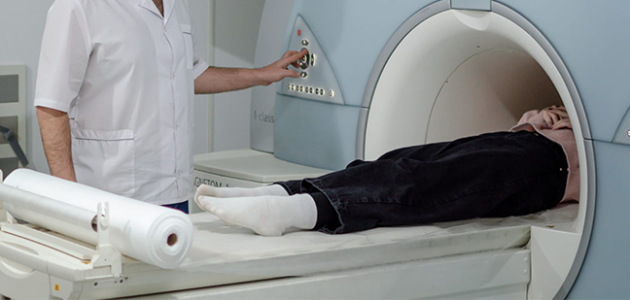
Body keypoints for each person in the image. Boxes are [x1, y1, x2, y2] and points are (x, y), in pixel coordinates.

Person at [35, 0, 306, 212]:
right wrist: (68, 197)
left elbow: (188, 74)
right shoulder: (80, 3)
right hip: (109, 195)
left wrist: (262, 75)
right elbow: (51, 107)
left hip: (174, 188)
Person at [195, 106, 579, 235]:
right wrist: (538, 118)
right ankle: (286, 192)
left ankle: (295, 212)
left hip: (554, 165)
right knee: (397, 161)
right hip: (526, 140)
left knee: (430, 182)